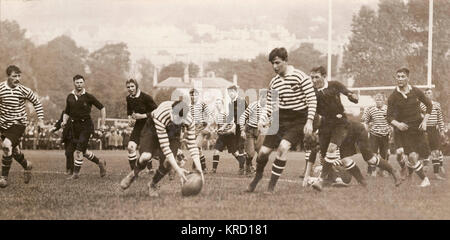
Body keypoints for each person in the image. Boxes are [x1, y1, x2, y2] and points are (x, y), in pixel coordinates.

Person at [246, 47, 317, 194]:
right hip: (280, 119)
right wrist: (262, 119)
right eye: (272, 63)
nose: (274, 66)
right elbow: (271, 104)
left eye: (277, 63)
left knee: (283, 147)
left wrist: (309, 121)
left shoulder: (300, 77)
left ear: (285, 61)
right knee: (263, 153)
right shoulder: (274, 82)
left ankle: (271, 187)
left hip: (298, 119)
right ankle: (257, 177)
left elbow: (312, 100)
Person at [119, 100, 204, 197]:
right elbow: (165, 147)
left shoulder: (189, 120)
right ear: (171, 112)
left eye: (179, 121)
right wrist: (178, 169)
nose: (177, 122)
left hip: (173, 134)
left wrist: (200, 171)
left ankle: (153, 184)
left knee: (168, 162)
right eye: (175, 119)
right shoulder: (161, 115)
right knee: (146, 157)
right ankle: (133, 174)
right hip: (152, 130)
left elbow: (193, 146)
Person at [308, 66, 366, 191]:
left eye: (316, 77)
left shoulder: (334, 85)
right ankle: (360, 181)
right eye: (311, 77)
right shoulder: (311, 92)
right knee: (325, 156)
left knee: (332, 148)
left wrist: (352, 96)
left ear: (324, 76)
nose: (313, 80)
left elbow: (347, 92)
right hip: (324, 125)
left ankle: (321, 180)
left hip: (340, 122)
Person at [304, 119, 402, 189]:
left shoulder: (323, 133)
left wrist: (317, 177)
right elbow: (312, 156)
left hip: (356, 129)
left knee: (370, 158)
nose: (317, 149)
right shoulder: (318, 136)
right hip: (345, 135)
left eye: (317, 147)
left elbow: (321, 154)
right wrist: (306, 176)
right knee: (345, 159)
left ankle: (393, 172)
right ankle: (363, 182)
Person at [0, 65, 44, 188]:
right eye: (14, 76)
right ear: (8, 76)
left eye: (19, 76)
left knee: (6, 146)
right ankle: (27, 165)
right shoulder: (1, 89)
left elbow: (37, 102)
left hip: (18, 123)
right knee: (14, 151)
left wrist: (40, 120)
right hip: (3, 124)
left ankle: (3, 178)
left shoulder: (23, 90)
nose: (18, 78)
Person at [387, 67, 432, 187]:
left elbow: (429, 105)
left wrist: (425, 121)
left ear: (408, 78)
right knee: (409, 156)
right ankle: (424, 180)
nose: (400, 79)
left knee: (416, 156)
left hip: (418, 129)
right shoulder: (393, 97)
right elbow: (389, 117)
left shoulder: (416, 91)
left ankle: (410, 172)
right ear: (396, 78)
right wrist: (398, 124)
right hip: (404, 130)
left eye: (403, 76)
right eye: (398, 77)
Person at [61, 74, 107, 180]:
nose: (79, 84)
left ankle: (75, 174)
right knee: (83, 151)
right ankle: (100, 162)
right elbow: (66, 112)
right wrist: (64, 121)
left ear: (84, 83)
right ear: (74, 83)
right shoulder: (70, 96)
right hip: (74, 127)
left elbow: (102, 108)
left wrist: (103, 124)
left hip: (86, 126)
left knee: (78, 150)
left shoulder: (88, 96)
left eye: (81, 82)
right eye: (77, 82)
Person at [125, 78, 157, 171]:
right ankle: (133, 173)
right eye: (128, 87)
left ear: (136, 86)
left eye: (132, 86)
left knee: (147, 152)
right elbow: (129, 111)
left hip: (149, 126)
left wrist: (142, 116)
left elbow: (156, 111)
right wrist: (130, 119)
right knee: (131, 147)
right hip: (138, 126)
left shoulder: (146, 97)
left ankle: (151, 167)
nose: (130, 89)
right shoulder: (128, 98)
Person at [211, 98, 245, 173]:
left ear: (222, 104)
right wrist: (216, 130)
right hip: (222, 136)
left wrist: (230, 130)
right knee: (216, 151)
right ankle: (214, 169)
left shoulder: (226, 113)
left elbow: (234, 124)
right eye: (216, 103)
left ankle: (244, 165)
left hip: (230, 136)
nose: (217, 105)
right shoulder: (217, 115)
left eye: (219, 103)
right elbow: (219, 126)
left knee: (235, 153)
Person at [239, 90, 267, 176]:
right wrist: (242, 130)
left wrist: (266, 124)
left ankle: (258, 170)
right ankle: (247, 168)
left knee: (262, 153)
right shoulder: (253, 105)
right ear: (260, 97)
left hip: (260, 131)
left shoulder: (268, 107)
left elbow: (270, 119)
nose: (266, 100)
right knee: (250, 153)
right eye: (264, 98)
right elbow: (243, 117)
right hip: (250, 130)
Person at [362, 93, 391, 176]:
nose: (378, 101)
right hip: (374, 134)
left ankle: (382, 171)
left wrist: (389, 129)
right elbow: (365, 120)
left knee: (384, 154)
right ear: (375, 100)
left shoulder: (388, 109)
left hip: (385, 135)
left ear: (384, 100)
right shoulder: (371, 110)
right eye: (377, 100)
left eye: (380, 100)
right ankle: (372, 172)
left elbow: (392, 120)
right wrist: (367, 124)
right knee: (373, 153)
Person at [421, 88, 446, 180]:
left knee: (436, 151)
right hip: (424, 130)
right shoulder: (420, 105)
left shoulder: (437, 105)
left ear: (432, 95)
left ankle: (436, 174)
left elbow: (440, 118)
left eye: (429, 93)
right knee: (425, 150)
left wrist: (442, 130)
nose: (428, 94)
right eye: (426, 93)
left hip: (434, 130)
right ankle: (424, 170)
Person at [227, 85, 249, 174]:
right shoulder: (230, 103)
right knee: (233, 148)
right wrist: (224, 127)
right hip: (236, 128)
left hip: (244, 127)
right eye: (229, 92)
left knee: (241, 147)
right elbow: (230, 117)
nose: (230, 93)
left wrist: (245, 128)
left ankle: (242, 168)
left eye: (232, 91)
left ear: (236, 92)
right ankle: (249, 166)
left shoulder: (242, 101)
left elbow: (248, 114)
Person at [189, 88, 211, 172]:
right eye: (191, 95)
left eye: (195, 95)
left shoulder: (202, 105)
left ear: (198, 96)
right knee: (198, 149)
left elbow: (208, 115)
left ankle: (196, 167)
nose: (193, 97)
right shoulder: (189, 106)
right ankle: (204, 168)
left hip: (201, 127)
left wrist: (206, 125)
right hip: (193, 128)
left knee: (196, 146)